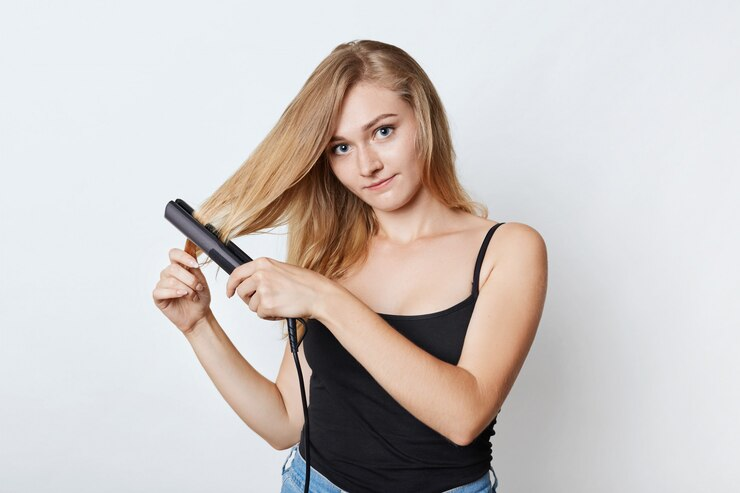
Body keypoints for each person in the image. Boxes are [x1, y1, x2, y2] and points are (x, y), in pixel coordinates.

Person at [152, 39, 547, 493]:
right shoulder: (331, 255)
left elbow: (464, 416)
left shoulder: (508, 249)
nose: (367, 165)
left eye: (383, 131)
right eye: (340, 147)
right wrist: (198, 326)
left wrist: (325, 299)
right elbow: (283, 421)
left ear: (424, 119)